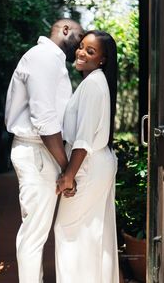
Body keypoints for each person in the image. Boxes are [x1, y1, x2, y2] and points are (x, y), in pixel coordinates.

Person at [4, 18, 83, 283]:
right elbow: (45, 121)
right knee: (34, 233)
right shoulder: (43, 58)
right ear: (64, 30)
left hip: (42, 152)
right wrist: (66, 168)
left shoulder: (51, 60)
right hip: (38, 152)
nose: (81, 46)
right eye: (79, 38)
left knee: (36, 231)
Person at [55, 30, 119, 282]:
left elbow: (83, 139)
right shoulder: (95, 82)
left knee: (67, 231)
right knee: (92, 233)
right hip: (97, 163)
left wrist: (69, 175)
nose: (81, 52)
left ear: (102, 59)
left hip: (88, 165)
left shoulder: (93, 84)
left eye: (90, 51)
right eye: (81, 46)